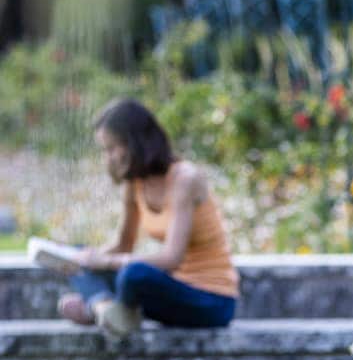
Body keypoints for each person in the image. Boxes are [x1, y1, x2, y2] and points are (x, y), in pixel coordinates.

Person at [40, 98, 238, 338]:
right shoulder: (135, 183)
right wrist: (80, 258)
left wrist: (102, 262)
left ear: (134, 143)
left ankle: (100, 308)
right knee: (80, 256)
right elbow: (123, 245)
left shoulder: (185, 179)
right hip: (172, 289)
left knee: (134, 275)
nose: (108, 157)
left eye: (112, 148)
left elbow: (171, 258)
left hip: (211, 301)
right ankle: (104, 308)